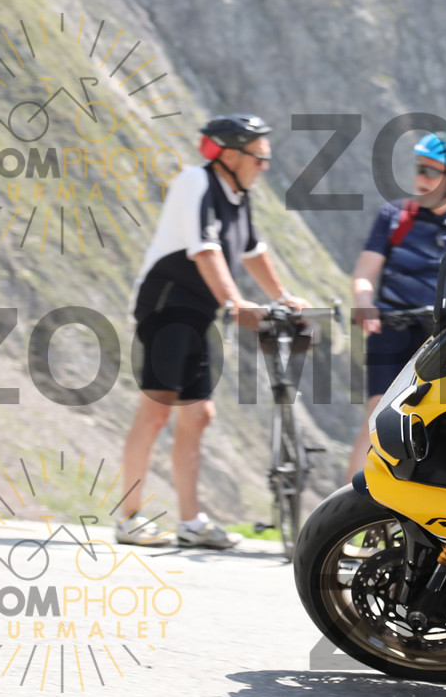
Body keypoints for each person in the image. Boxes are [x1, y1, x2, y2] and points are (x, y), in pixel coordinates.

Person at [117, 114, 310, 548]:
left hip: (198, 312)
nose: (264, 166)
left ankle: (190, 523)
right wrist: (235, 303)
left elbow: (253, 251)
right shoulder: (196, 182)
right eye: (259, 157)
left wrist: (283, 296)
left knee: (199, 414)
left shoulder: (238, 196)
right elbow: (204, 250)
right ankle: (129, 517)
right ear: (230, 154)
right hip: (167, 305)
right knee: (156, 409)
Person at [346, 131, 446, 480]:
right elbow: (364, 274)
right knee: (378, 413)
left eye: (430, 171)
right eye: (419, 168)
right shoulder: (394, 216)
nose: (420, 179)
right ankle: (347, 503)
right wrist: (364, 302)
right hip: (392, 328)